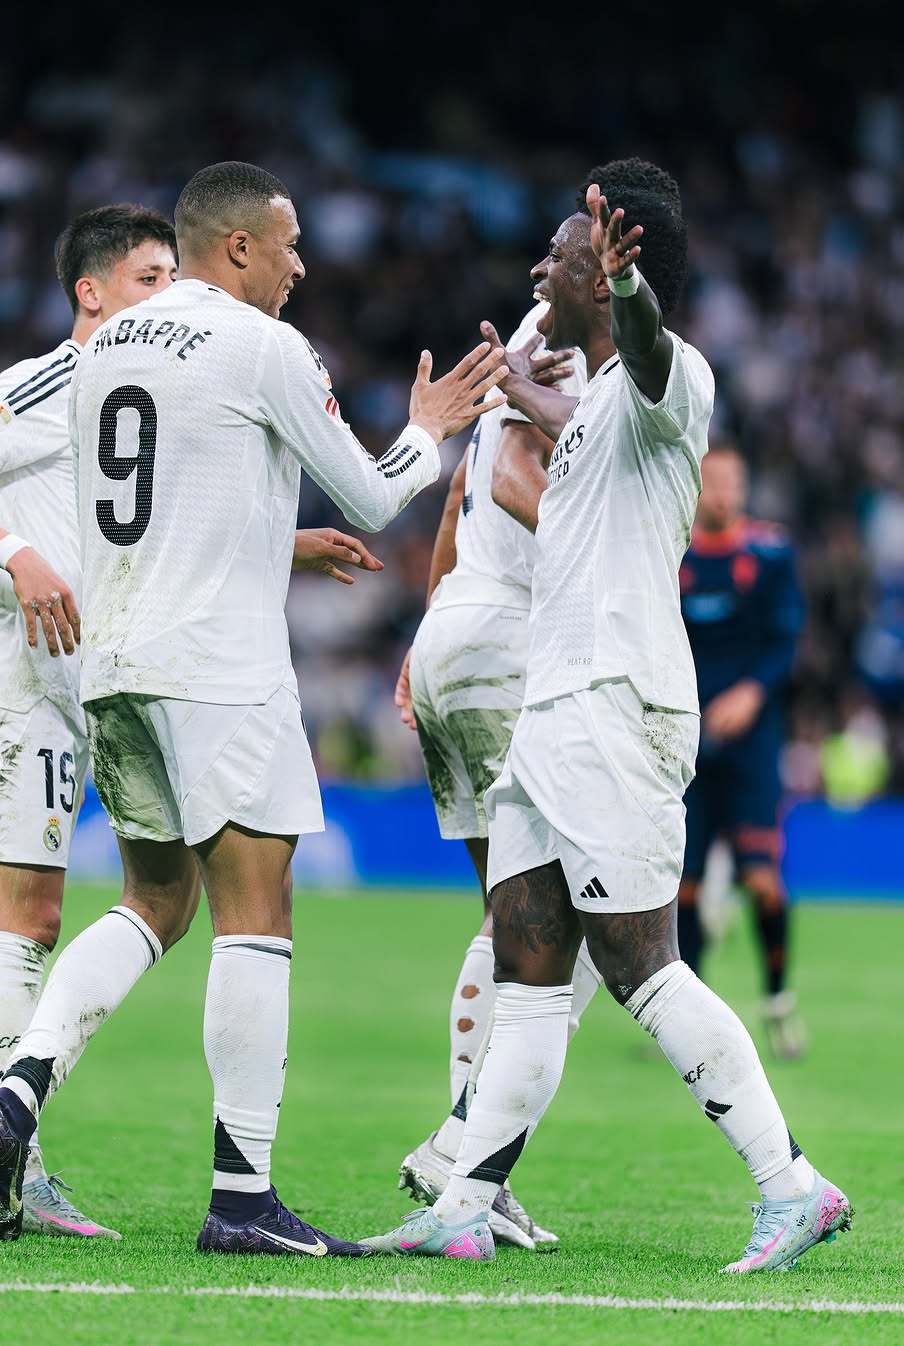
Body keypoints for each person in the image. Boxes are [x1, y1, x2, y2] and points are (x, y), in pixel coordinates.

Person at [0, 160, 508, 1255]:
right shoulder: (266, 347)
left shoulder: (105, 344)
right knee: (256, 914)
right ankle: (242, 1197)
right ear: (241, 245)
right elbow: (373, 492)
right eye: (289, 246)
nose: (301, 267)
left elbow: (159, 495)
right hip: (219, 666)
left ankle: (14, 1093)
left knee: (157, 900)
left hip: (113, 663)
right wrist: (429, 427)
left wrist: (273, 539)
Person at [363, 158, 849, 1273]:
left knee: (641, 967)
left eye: (567, 252)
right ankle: (463, 1204)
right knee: (529, 968)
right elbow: (564, 422)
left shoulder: (675, 382)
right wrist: (505, 387)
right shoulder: (589, 412)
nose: (546, 264)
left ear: (615, 268)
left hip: (622, 703)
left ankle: (794, 1187)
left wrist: (626, 292)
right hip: (553, 704)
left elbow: (647, 354)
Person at [0, 201, 380, 1239]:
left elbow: (132, 523)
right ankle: (3, 1164)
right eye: (150, 278)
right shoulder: (54, 379)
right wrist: (16, 555)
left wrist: (288, 545)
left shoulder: (140, 375)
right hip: (15, 675)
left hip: (66, 676)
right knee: (23, 920)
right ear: (92, 290)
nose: (169, 295)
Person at [393, 304, 600, 1252]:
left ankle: (473, 1163)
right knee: (574, 923)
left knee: (506, 915)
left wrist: (428, 634)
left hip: (459, 632)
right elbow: (517, 477)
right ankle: (466, 1148)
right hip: (514, 642)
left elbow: (458, 496)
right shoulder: (571, 351)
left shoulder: (526, 342)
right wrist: (616, 556)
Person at [678, 445, 807, 1058]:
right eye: (715, 480)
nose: (725, 491)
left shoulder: (771, 555)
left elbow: (787, 642)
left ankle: (778, 1000)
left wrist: (751, 693)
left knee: (762, 882)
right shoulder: (670, 553)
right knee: (683, 887)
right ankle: (688, 1023)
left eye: (734, 480)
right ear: (695, 485)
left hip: (752, 744)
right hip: (684, 740)